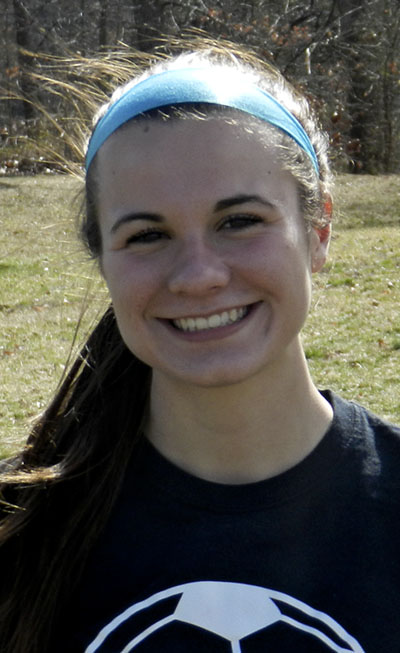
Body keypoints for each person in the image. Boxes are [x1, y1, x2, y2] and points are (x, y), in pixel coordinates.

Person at [1, 38, 399, 653]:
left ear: (318, 228)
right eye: (147, 235)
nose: (198, 275)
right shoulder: (18, 528)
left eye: (239, 221)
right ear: (102, 258)